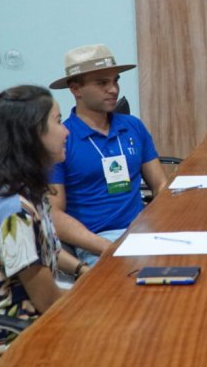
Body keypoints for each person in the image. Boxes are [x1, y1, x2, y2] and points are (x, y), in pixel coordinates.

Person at [0, 85, 90, 365]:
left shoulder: (26, 190)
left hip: (27, 321)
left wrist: (84, 271)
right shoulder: (12, 214)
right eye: (57, 121)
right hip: (6, 343)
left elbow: (46, 252)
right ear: (31, 135)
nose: (66, 131)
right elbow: (47, 301)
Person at [47, 44, 167, 266]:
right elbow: (54, 214)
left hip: (144, 232)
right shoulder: (62, 140)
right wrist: (110, 248)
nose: (113, 89)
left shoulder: (133, 126)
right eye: (102, 83)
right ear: (75, 89)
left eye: (115, 81)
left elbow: (160, 184)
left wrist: (163, 223)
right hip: (97, 243)